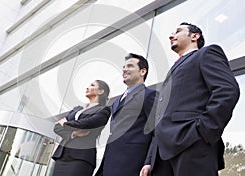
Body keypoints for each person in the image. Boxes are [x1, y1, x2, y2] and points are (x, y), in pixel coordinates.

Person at [140, 22, 240, 176]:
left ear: (195, 36)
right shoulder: (172, 70)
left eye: (178, 31)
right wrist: (149, 159)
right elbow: (160, 119)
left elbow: (227, 91)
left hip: (192, 144)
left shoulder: (206, 53)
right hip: (161, 157)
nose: (171, 35)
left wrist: (203, 131)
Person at [95, 53, 157, 176]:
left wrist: (149, 161)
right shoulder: (117, 101)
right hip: (109, 162)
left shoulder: (150, 95)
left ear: (142, 71)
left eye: (129, 66)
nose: (124, 69)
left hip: (131, 164)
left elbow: (156, 130)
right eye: (123, 67)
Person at [51, 80, 111, 176]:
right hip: (62, 155)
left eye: (92, 85)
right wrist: (73, 134)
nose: (87, 87)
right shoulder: (77, 109)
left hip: (81, 157)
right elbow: (57, 127)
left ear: (100, 91)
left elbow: (87, 123)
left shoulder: (103, 110)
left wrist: (65, 123)